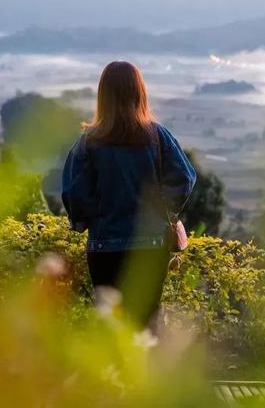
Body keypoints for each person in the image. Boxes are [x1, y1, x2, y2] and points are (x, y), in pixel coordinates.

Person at [62, 61, 196, 329]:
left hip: (104, 248)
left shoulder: (89, 142)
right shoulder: (158, 136)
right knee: (145, 326)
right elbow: (185, 178)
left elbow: (74, 193)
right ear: (139, 93)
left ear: (104, 96)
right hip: (151, 247)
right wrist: (158, 209)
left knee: (111, 327)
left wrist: (93, 215)